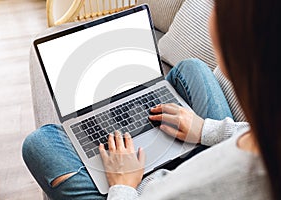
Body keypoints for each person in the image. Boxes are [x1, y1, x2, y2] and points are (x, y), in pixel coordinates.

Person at [22, 0, 281, 199]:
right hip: (205, 147)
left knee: (39, 144)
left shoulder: (207, 186)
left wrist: (124, 183)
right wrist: (205, 130)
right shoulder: (269, 133)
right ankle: (152, 106)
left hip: (143, 189)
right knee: (190, 68)